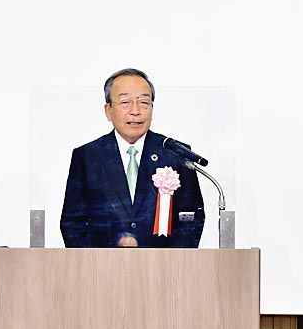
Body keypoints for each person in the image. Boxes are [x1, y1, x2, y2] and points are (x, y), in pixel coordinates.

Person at [60, 69, 205, 248]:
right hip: (101, 263)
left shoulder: (175, 154)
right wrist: (104, 256)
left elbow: (191, 220)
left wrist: (169, 261)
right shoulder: (87, 156)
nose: (135, 111)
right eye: (125, 102)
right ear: (108, 110)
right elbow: (72, 224)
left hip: (163, 263)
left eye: (144, 102)